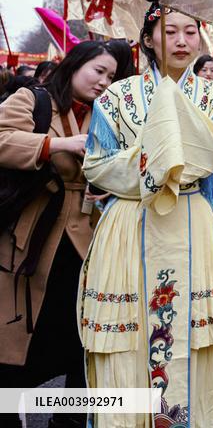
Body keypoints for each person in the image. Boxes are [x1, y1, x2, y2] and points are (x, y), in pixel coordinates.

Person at [80, 0, 213, 428]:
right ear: (148, 38)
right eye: (168, 30)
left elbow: (206, 159)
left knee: (192, 342)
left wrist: (145, 162)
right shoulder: (116, 97)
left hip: (190, 221)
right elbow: (96, 164)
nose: (181, 40)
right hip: (129, 226)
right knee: (126, 342)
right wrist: (156, 167)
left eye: (191, 30)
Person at [0, 41, 118, 428]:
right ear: (75, 65)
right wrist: (55, 145)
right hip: (30, 238)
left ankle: (66, 420)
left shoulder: (107, 116)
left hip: (85, 241)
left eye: (112, 76)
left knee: (80, 342)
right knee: (16, 338)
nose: (104, 82)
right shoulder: (33, 100)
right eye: (98, 71)